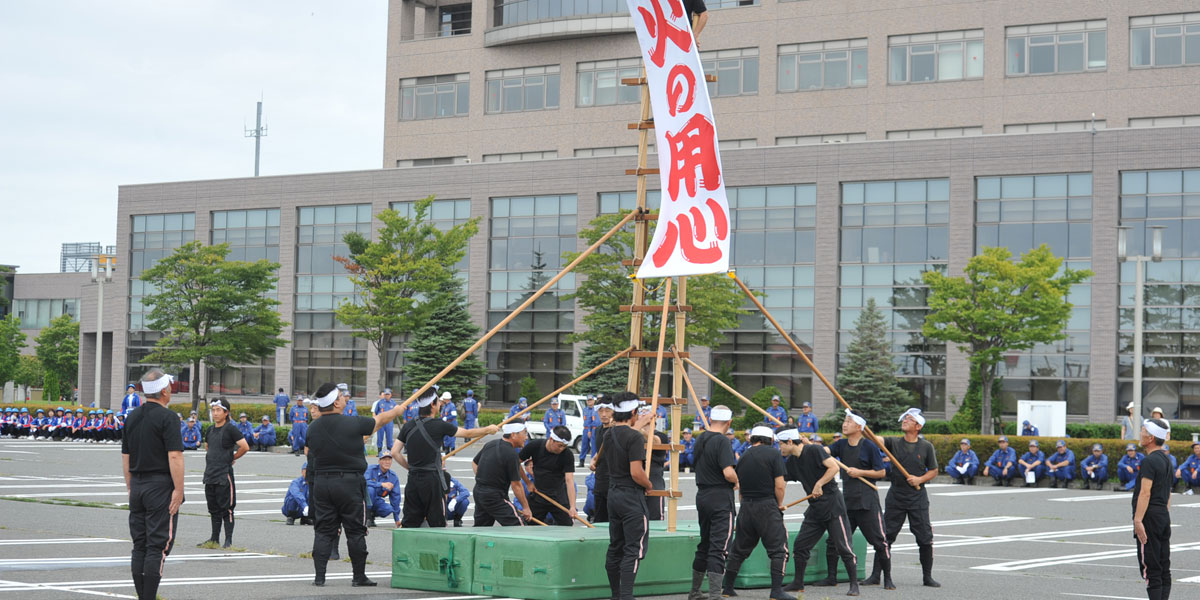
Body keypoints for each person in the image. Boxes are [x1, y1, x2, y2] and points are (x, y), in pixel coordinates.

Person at [305, 381, 406, 588]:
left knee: (323, 530)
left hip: (322, 484)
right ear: (335, 403)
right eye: (341, 397)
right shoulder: (351, 423)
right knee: (355, 530)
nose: (344, 399)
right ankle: (358, 576)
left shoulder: (312, 428)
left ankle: (319, 577)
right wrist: (396, 411)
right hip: (349, 484)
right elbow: (378, 421)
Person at [393, 388, 498, 528]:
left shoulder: (408, 426)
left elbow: (395, 452)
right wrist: (488, 429)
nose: (440, 404)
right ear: (432, 405)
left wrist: (410, 467)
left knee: (410, 521)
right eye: (438, 402)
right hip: (432, 480)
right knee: (437, 521)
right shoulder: (439, 425)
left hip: (413, 479)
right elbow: (467, 433)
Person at [123, 369, 185, 600]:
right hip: (160, 485)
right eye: (169, 387)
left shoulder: (132, 416)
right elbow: (175, 456)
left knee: (140, 544)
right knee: (157, 546)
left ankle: (143, 596)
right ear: (163, 391)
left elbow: (125, 456)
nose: (170, 390)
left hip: (137, 484)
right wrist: (178, 490)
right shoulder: (168, 417)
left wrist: (130, 486)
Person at [778, 427, 858, 596]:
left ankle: (854, 585)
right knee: (800, 545)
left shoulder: (814, 449)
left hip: (832, 504)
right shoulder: (792, 462)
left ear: (790, 442)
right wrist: (776, 501)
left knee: (843, 547)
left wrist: (819, 483)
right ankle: (798, 583)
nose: (780, 448)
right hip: (815, 508)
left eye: (781, 444)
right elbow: (782, 481)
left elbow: (833, 467)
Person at [867, 407, 939, 588]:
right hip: (896, 495)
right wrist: (862, 424)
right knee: (886, 536)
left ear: (918, 426)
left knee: (924, 537)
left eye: (909, 419)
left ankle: (927, 577)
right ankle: (876, 575)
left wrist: (920, 479)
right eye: (904, 418)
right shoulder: (893, 443)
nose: (904, 421)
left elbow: (934, 470)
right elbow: (875, 440)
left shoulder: (926, 447)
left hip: (917, 496)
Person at [721, 425, 792, 600]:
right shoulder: (773, 454)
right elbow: (780, 485)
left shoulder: (744, 456)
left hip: (746, 507)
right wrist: (779, 504)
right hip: (767, 505)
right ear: (770, 440)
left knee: (739, 549)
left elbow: (740, 488)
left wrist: (745, 504)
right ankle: (776, 591)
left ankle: (727, 587)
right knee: (778, 550)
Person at [825, 409, 891, 590]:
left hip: (867, 502)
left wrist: (860, 472)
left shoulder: (869, 446)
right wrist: (808, 445)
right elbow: (825, 452)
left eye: (848, 421)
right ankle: (831, 577)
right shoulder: (841, 445)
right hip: (847, 501)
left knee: (879, 541)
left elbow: (881, 472)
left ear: (859, 426)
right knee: (833, 540)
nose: (844, 424)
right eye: (844, 421)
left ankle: (888, 579)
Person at [604, 393, 653, 600]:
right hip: (631, 496)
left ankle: (616, 594)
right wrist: (648, 484)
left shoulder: (608, 434)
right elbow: (636, 472)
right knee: (633, 549)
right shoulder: (634, 437)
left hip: (613, 494)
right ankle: (626, 596)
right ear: (633, 413)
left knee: (616, 545)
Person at [686, 404, 738, 600]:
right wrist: (736, 480)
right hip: (720, 497)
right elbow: (728, 472)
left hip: (703, 496)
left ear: (710, 419)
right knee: (720, 547)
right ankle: (715, 595)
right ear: (729, 422)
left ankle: (695, 591)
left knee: (705, 544)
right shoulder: (722, 441)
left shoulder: (700, 439)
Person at [199, 398, 248, 549]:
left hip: (224, 475)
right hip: (210, 474)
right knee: (213, 508)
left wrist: (231, 458)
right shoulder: (210, 429)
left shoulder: (230, 429)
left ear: (226, 413)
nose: (215, 413)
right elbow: (208, 446)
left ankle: (228, 540)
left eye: (218, 410)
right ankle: (214, 538)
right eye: (213, 410)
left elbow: (244, 446)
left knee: (227, 508)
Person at [1132, 418, 1173, 600]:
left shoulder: (1149, 461)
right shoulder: (1167, 460)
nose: (1140, 435)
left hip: (1149, 516)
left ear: (1150, 438)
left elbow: (1145, 493)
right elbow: (1169, 492)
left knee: (1150, 566)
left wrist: (1138, 520)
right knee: (1163, 565)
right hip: (1163, 514)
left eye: (1142, 431)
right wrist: (1163, 514)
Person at [472, 422, 533, 526]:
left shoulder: (490, 444)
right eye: (524, 433)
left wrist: (483, 479)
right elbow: (516, 486)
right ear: (513, 435)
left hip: (479, 491)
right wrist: (526, 508)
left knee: (482, 528)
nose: (526, 437)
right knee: (519, 526)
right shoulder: (511, 453)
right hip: (494, 496)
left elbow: (475, 463)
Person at [519, 424, 578, 526]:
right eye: (559, 445)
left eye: (564, 446)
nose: (561, 449)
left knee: (567, 527)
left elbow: (569, 480)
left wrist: (572, 506)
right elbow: (515, 462)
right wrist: (528, 483)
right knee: (528, 525)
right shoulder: (535, 446)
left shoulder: (567, 454)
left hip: (558, 496)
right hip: (538, 494)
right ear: (551, 439)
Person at [589, 396, 616, 523]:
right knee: (599, 517)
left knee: (613, 518)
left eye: (607, 410)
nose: (604, 414)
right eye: (601, 411)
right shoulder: (598, 430)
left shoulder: (617, 429)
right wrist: (593, 460)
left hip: (614, 479)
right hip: (600, 478)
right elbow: (598, 451)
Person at [365, 454, 402, 528]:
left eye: (389, 460)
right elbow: (364, 481)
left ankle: (371, 516)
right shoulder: (371, 469)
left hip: (376, 500)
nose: (387, 462)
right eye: (384, 460)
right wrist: (381, 484)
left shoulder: (393, 477)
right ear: (379, 461)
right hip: (363, 499)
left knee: (388, 509)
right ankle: (365, 517)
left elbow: (396, 498)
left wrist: (397, 519)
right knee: (370, 490)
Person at [373, 388, 397, 455]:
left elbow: (396, 412)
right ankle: (379, 452)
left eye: (388, 394)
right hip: (381, 422)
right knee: (380, 437)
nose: (387, 396)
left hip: (389, 422)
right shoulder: (380, 402)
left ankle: (389, 451)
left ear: (391, 395)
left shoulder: (393, 403)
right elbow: (376, 412)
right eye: (386, 394)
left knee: (389, 437)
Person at [581, 395, 601, 467]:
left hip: (598, 429)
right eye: (588, 400)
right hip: (589, 429)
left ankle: (596, 461)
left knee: (596, 446)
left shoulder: (596, 409)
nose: (590, 401)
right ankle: (582, 461)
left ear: (593, 401)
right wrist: (589, 430)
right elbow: (589, 421)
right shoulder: (585, 410)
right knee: (584, 446)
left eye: (591, 400)